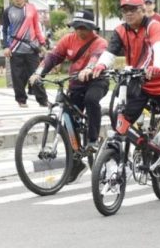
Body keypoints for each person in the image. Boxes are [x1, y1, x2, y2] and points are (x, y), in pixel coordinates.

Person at [83, 0, 160, 182]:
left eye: (132, 9)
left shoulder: (153, 26)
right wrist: (101, 66)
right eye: (125, 10)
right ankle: (122, 157)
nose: (128, 14)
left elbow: (159, 49)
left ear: (142, 10)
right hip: (139, 83)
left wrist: (156, 66)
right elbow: (110, 52)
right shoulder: (121, 31)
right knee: (121, 119)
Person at [28, 10, 109, 183]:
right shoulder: (68, 40)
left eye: (83, 27)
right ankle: (76, 162)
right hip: (76, 82)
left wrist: (89, 69)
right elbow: (53, 57)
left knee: (91, 99)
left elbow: (96, 58)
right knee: (68, 122)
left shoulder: (99, 42)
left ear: (91, 28)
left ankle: (93, 139)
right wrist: (38, 73)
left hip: (96, 80)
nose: (79, 30)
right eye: (76, 26)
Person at [2, 0, 49, 107]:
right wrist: (6, 46)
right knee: (17, 77)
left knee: (36, 74)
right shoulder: (8, 11)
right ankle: (21, 100)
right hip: (15, 48)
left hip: (31, 48)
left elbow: (37, 28)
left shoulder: (31, 9)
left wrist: (42, 44)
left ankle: (42, 100)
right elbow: (5, 30)